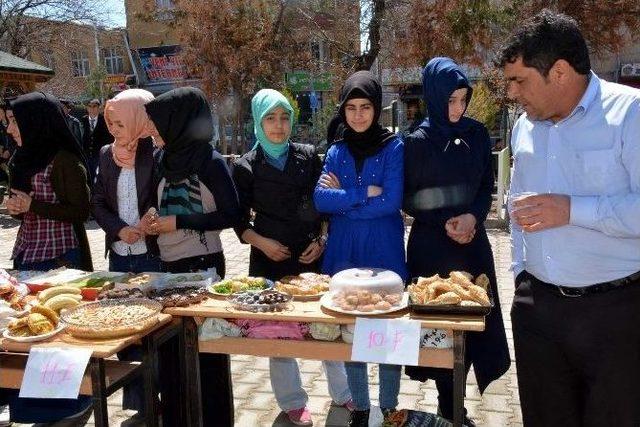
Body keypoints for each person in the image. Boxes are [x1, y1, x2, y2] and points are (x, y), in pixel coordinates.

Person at [497, 10, 640, 427]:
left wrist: (573, 209)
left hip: (617, 314)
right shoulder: (524, 127)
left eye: (519, 80)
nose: (511, 93)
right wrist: (521, 276)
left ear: (558, 72)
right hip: (538, 312)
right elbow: (519, 206)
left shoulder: (630, 114)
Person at [232, 88, 352, 426]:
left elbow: (323, 202)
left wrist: (323, 239)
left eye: (284, 117)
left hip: (309, 258)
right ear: (257, 121)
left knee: (327, 326)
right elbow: (238, 220)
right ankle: (293, 402)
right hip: (269, 260)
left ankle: (343, 394)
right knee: (277, 333)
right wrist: (263, 243)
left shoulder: (308, 156)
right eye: (270, 118)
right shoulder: (245, 167)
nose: (278, 125)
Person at [402, 57, 511, 426]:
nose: (457, 107)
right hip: (431, 248)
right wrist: (446, 221)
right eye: (449, 100)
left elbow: (485, 186)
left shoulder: (478, 134)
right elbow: (408, 197)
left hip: (473, 243)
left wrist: (473, 218)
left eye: (462, 98)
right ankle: (449, 407)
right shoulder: (416, 141)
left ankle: (454, 407)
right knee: (437, 333)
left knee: (473, 329)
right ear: (433, 97)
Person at [143, 86, 240, 427]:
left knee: (207, 353)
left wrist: (179, 221)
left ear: (178, 122)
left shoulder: (209, 161)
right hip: (167, 268)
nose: (152, 129)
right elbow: (158, 203)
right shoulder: (162, 159)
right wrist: (151, 220)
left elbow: (232, 215)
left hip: (204, 267)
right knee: (171, 355)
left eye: (157, 122)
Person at [314, 71, 406, 427]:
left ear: (376, 108)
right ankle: (361, 408)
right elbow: (321, 200)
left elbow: (391, 200)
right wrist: (364, 193)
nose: (357, 115)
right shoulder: (336, 150)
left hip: (382, 244)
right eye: (350, 107)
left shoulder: (394, 146)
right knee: (351, 329)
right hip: (345, 247)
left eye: (365, 106)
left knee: (386, 325)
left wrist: (345, 202)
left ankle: (388, 406)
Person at [3, 92, 93, 424]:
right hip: (28, 254)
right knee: (30, 332)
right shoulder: (21, 158)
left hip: (61, 258)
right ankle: (31, 407)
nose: (9, 127)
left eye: (14, 120)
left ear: (34, 122)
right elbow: (24, 207)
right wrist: (16, 210)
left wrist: (32, 206)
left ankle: (70, 405)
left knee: (60, 336)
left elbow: (81, 211)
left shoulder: (64, 160)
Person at [91, 88, 161, 420]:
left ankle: (160, 396)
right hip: (120, 254)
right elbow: (98, 202)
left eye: (121, 124)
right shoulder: (107, 154)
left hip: (151, 253)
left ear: (139, 119)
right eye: (112, 124)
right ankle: (140, 404)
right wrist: (119, 229)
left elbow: (160, 196)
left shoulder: (156, 149)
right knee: (123, 330)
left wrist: (149, 218)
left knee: (151, 329)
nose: (115, 132)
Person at [81, 98, 113, 185]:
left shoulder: (105, 121)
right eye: (90, 106)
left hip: (99, 156)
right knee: (87, 178)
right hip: (86, 156)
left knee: (99, 178)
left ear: (99, 108)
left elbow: (110, 139)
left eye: (95, 106)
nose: (92, 108)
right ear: (87, 108)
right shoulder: (82, 121)